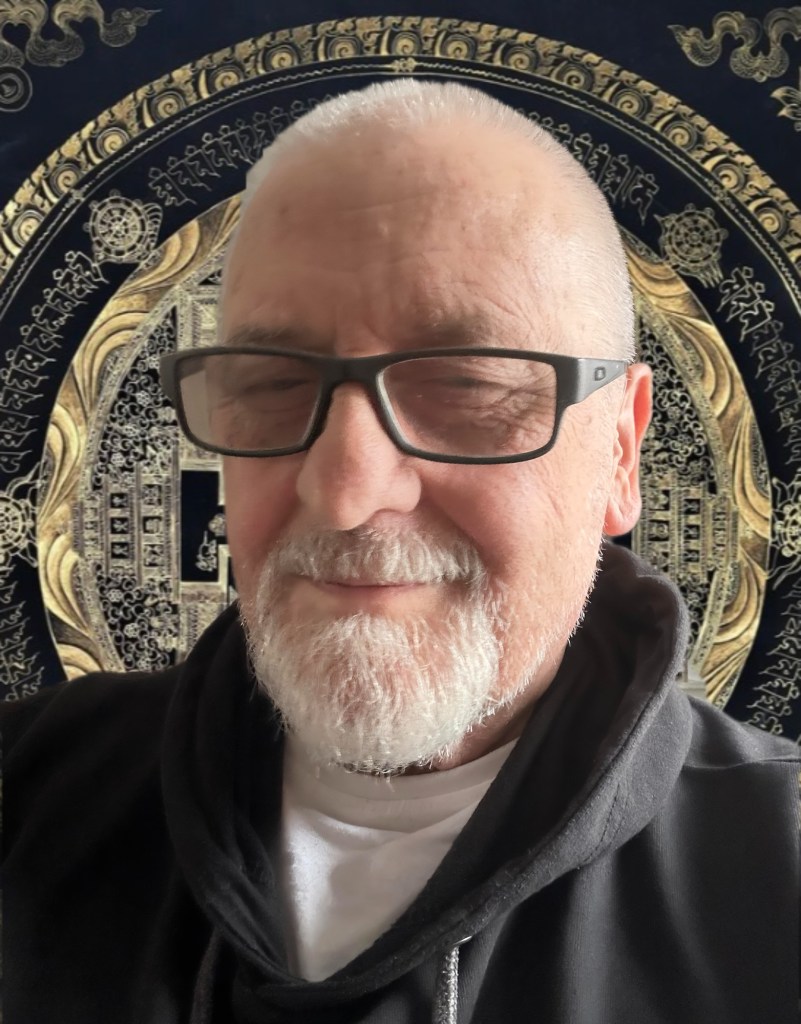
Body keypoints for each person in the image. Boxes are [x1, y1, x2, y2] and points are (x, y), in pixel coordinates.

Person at [3, 80, 799, 1024]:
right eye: (269, 382)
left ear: (620, 449)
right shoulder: (26, 796)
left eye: (467, 385)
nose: (345, 493)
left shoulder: (778, 874)